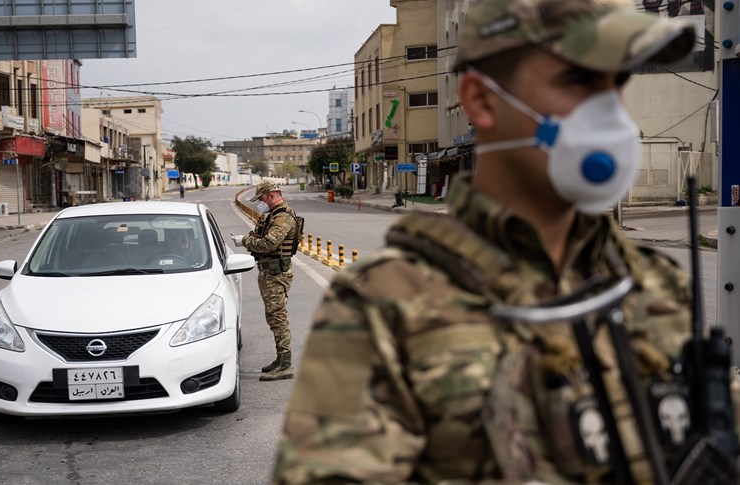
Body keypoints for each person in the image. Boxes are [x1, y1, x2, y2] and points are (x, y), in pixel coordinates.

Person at [271, 1, 727, 483]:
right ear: (482, 100)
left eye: (616, 83)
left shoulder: (654, 283)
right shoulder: (383, 307)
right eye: (576, 81)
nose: (610, 114)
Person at [232, 180, 298, 381]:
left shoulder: (283, 217)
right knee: (274, 317)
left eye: (261, 198)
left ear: (270, 195)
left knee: (278, 317)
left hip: (276, 274)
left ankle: (285, 364)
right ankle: (280, 360)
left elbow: (269, 244)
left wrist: (245, 241)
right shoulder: (274, 215)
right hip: (270, 273)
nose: (260, 202)